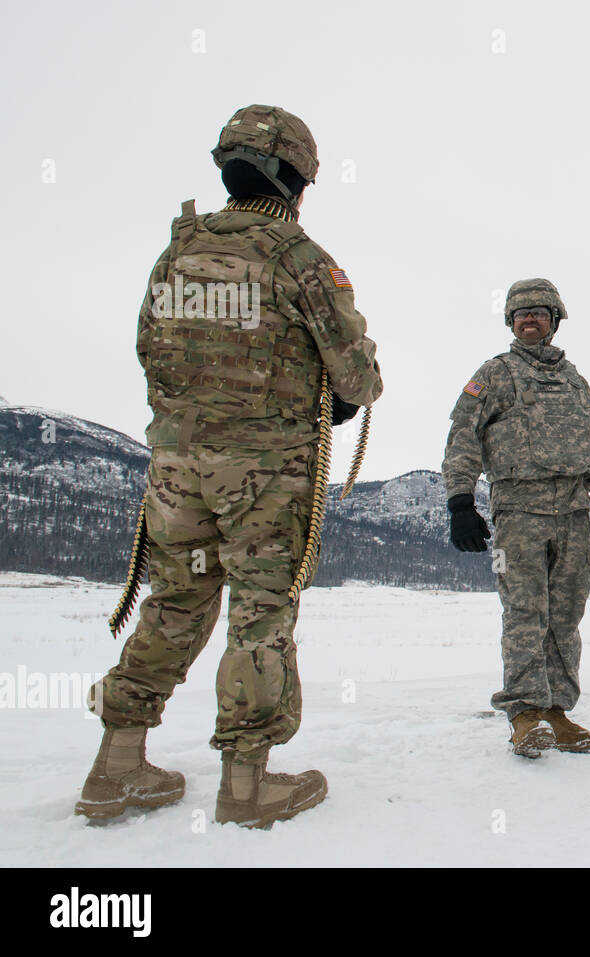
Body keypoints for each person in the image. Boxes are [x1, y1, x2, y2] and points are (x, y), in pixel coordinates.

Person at [77, 104, 383, 828]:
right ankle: (247, 785)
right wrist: (330, 393)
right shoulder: (299, 259)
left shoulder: (175, 253)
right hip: (264, 478)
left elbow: (150, 350)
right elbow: (358, 377)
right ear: (297, 179)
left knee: (176, 601)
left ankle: (116, 766)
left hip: (177, 471)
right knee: (260, 614)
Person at [442, 278, 590, 757]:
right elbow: (463, 436)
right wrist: (461, 501)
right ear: (510, 322)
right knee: (526, 614)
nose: (530, 320)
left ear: (555, 320)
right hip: (517, 514)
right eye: (521, 314)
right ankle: (525, 713)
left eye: (539, 313)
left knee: (565, 618)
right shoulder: (495, 374)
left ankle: (557, 712)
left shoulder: (576, 383)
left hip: (572, 514)